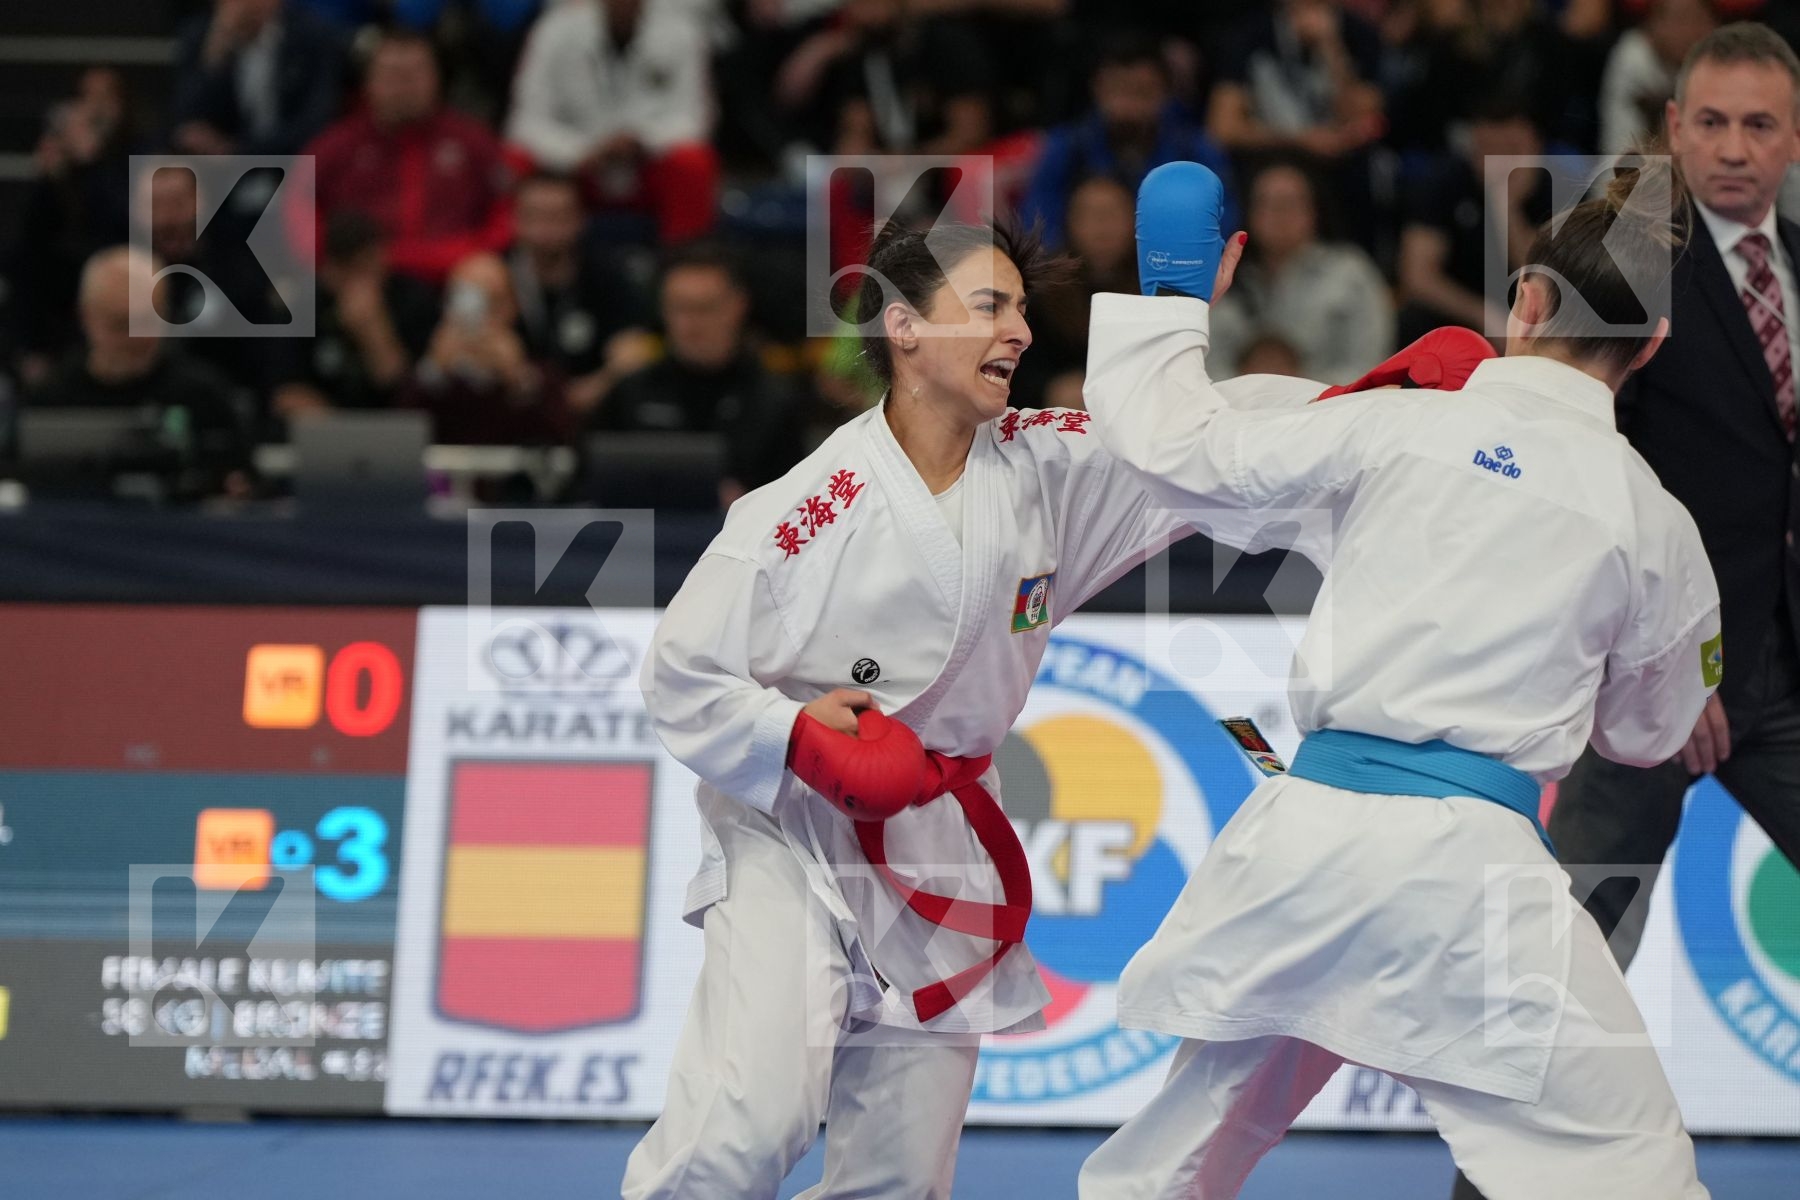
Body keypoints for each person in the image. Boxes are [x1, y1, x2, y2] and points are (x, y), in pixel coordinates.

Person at [622, 216, 1302, 1199]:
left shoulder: (1044, 467)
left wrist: (1377, 405)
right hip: (796, 836)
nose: (1020, 331)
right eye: (989, 307)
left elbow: (1189, 447)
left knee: (899, 1183)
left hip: (941, 834)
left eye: (1023, 310)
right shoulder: (804, 510)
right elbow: (680, 671)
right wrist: (799, 736)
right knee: (742, 1132)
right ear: (904, 328)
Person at [1078, 157, 1717, 1198]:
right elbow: (1647, 736)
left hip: (1308, 842)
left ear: (1528, 298)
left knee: (1182, 1157)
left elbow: (1173, 448)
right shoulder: (1652, 518)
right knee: (1626, 1167)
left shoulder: (1398, 422)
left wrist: (1177, 296)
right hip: (1474, 873)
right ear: (1650, 344)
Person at [1449, 23, 1800, 1199]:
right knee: (1564, 970)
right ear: (1671, 130)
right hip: (1649, 682)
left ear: (1793, 138)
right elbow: (1585, 479)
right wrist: (1656, 670)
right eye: (1710, 122)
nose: (1734, 148)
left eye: (1759, 124)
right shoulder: (1625, 273)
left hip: (1787, 682)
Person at [27, 247, 251, 501]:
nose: (136, 339)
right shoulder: (51, 399)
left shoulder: (204, 395)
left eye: (147, 321)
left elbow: (245, 481)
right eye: (122, 324)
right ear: (86, 317)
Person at [590, 244, 804, 504]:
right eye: (679, 308)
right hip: (640, 538)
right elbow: (589, 486)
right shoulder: (629, 392)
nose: (691, 324)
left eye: (705, 308)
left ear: (738, 306)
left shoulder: (773, 400)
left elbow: (796, 502)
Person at [299, 30, 513, 284]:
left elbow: (507, 211)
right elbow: (296, 209)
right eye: (392, 75)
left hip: (456, 281)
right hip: (363, 280)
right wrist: (335, 259)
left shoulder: (473, 142)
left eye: (414, 75)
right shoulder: (336, 146)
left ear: (437, 78)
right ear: (368, 81)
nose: (403, 87)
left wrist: (469, 255)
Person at [505, 0, 719, 244]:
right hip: (578, 165)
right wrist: (580, 152)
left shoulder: (681, 32)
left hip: (646, 163)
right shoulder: (555, 29)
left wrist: (642, 142)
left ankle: (685, 262)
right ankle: (521, 266)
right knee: (515, 162)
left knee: (693, 164)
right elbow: (525, 122)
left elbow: (694, 117)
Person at [1020, 31, 1237, 249]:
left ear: (1165, 92)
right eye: (1117, 91)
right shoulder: (1066, 148)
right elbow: (1037, 228)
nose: (1127, 106)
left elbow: (1220, 225)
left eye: (1141, 92)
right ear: (1097, 88)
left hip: (1169, 270)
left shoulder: (1196, 153)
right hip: (1079, 272)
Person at [1207, 158, 1393, 381]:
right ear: (1250, 211)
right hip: (1237, 409)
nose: (1279, 214)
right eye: (1268, 203)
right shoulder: (1223, 276)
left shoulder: (1351, 273)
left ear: (1314, 210)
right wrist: (1250, 393)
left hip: (1329, 407)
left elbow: (1370, 363)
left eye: (1290, 203)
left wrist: (1297, 391)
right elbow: (1203, 363)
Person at [169, 0, 349, 158]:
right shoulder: (200, 36)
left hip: (295, 158)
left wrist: (239, 152)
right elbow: (185, 119)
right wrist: (215, 58)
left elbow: (316, 120)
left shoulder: (313, 35)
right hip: (219, 166)